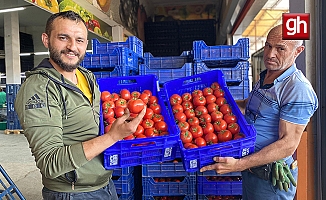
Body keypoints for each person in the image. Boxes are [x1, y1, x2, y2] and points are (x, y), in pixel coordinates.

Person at [14, 11, 145, 200]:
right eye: (63, 37)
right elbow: (51, 163)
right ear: (46, 39)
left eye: (80, 40)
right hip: (72, 193)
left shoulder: (87, 76)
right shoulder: (39, 88)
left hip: (105, 184)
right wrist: (113, 136)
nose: (72, 47)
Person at [200, 24, 318, 199]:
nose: (270, 54)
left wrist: (239, 164)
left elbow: (288, 144)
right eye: (268, 45)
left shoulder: (297, 88)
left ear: (297, 51)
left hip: (270, 179)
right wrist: (214, 105)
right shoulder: (267, 74)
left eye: (280, 49)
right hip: (251, 170)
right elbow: (248, 106)